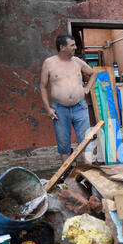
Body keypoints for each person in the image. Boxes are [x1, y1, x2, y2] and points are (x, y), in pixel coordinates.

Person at [40, 34, 96, 164]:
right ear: (62, 47)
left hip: (80, 107)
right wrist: (48, 108)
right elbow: (43, 87)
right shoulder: (49, 63)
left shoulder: (77, 61)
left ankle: (89, 173)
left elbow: (93, 73)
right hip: (59, 109)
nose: (75, 48)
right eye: (72, 45)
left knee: (86, 141)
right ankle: (66, 175)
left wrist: (87, 88)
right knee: (63, 143)